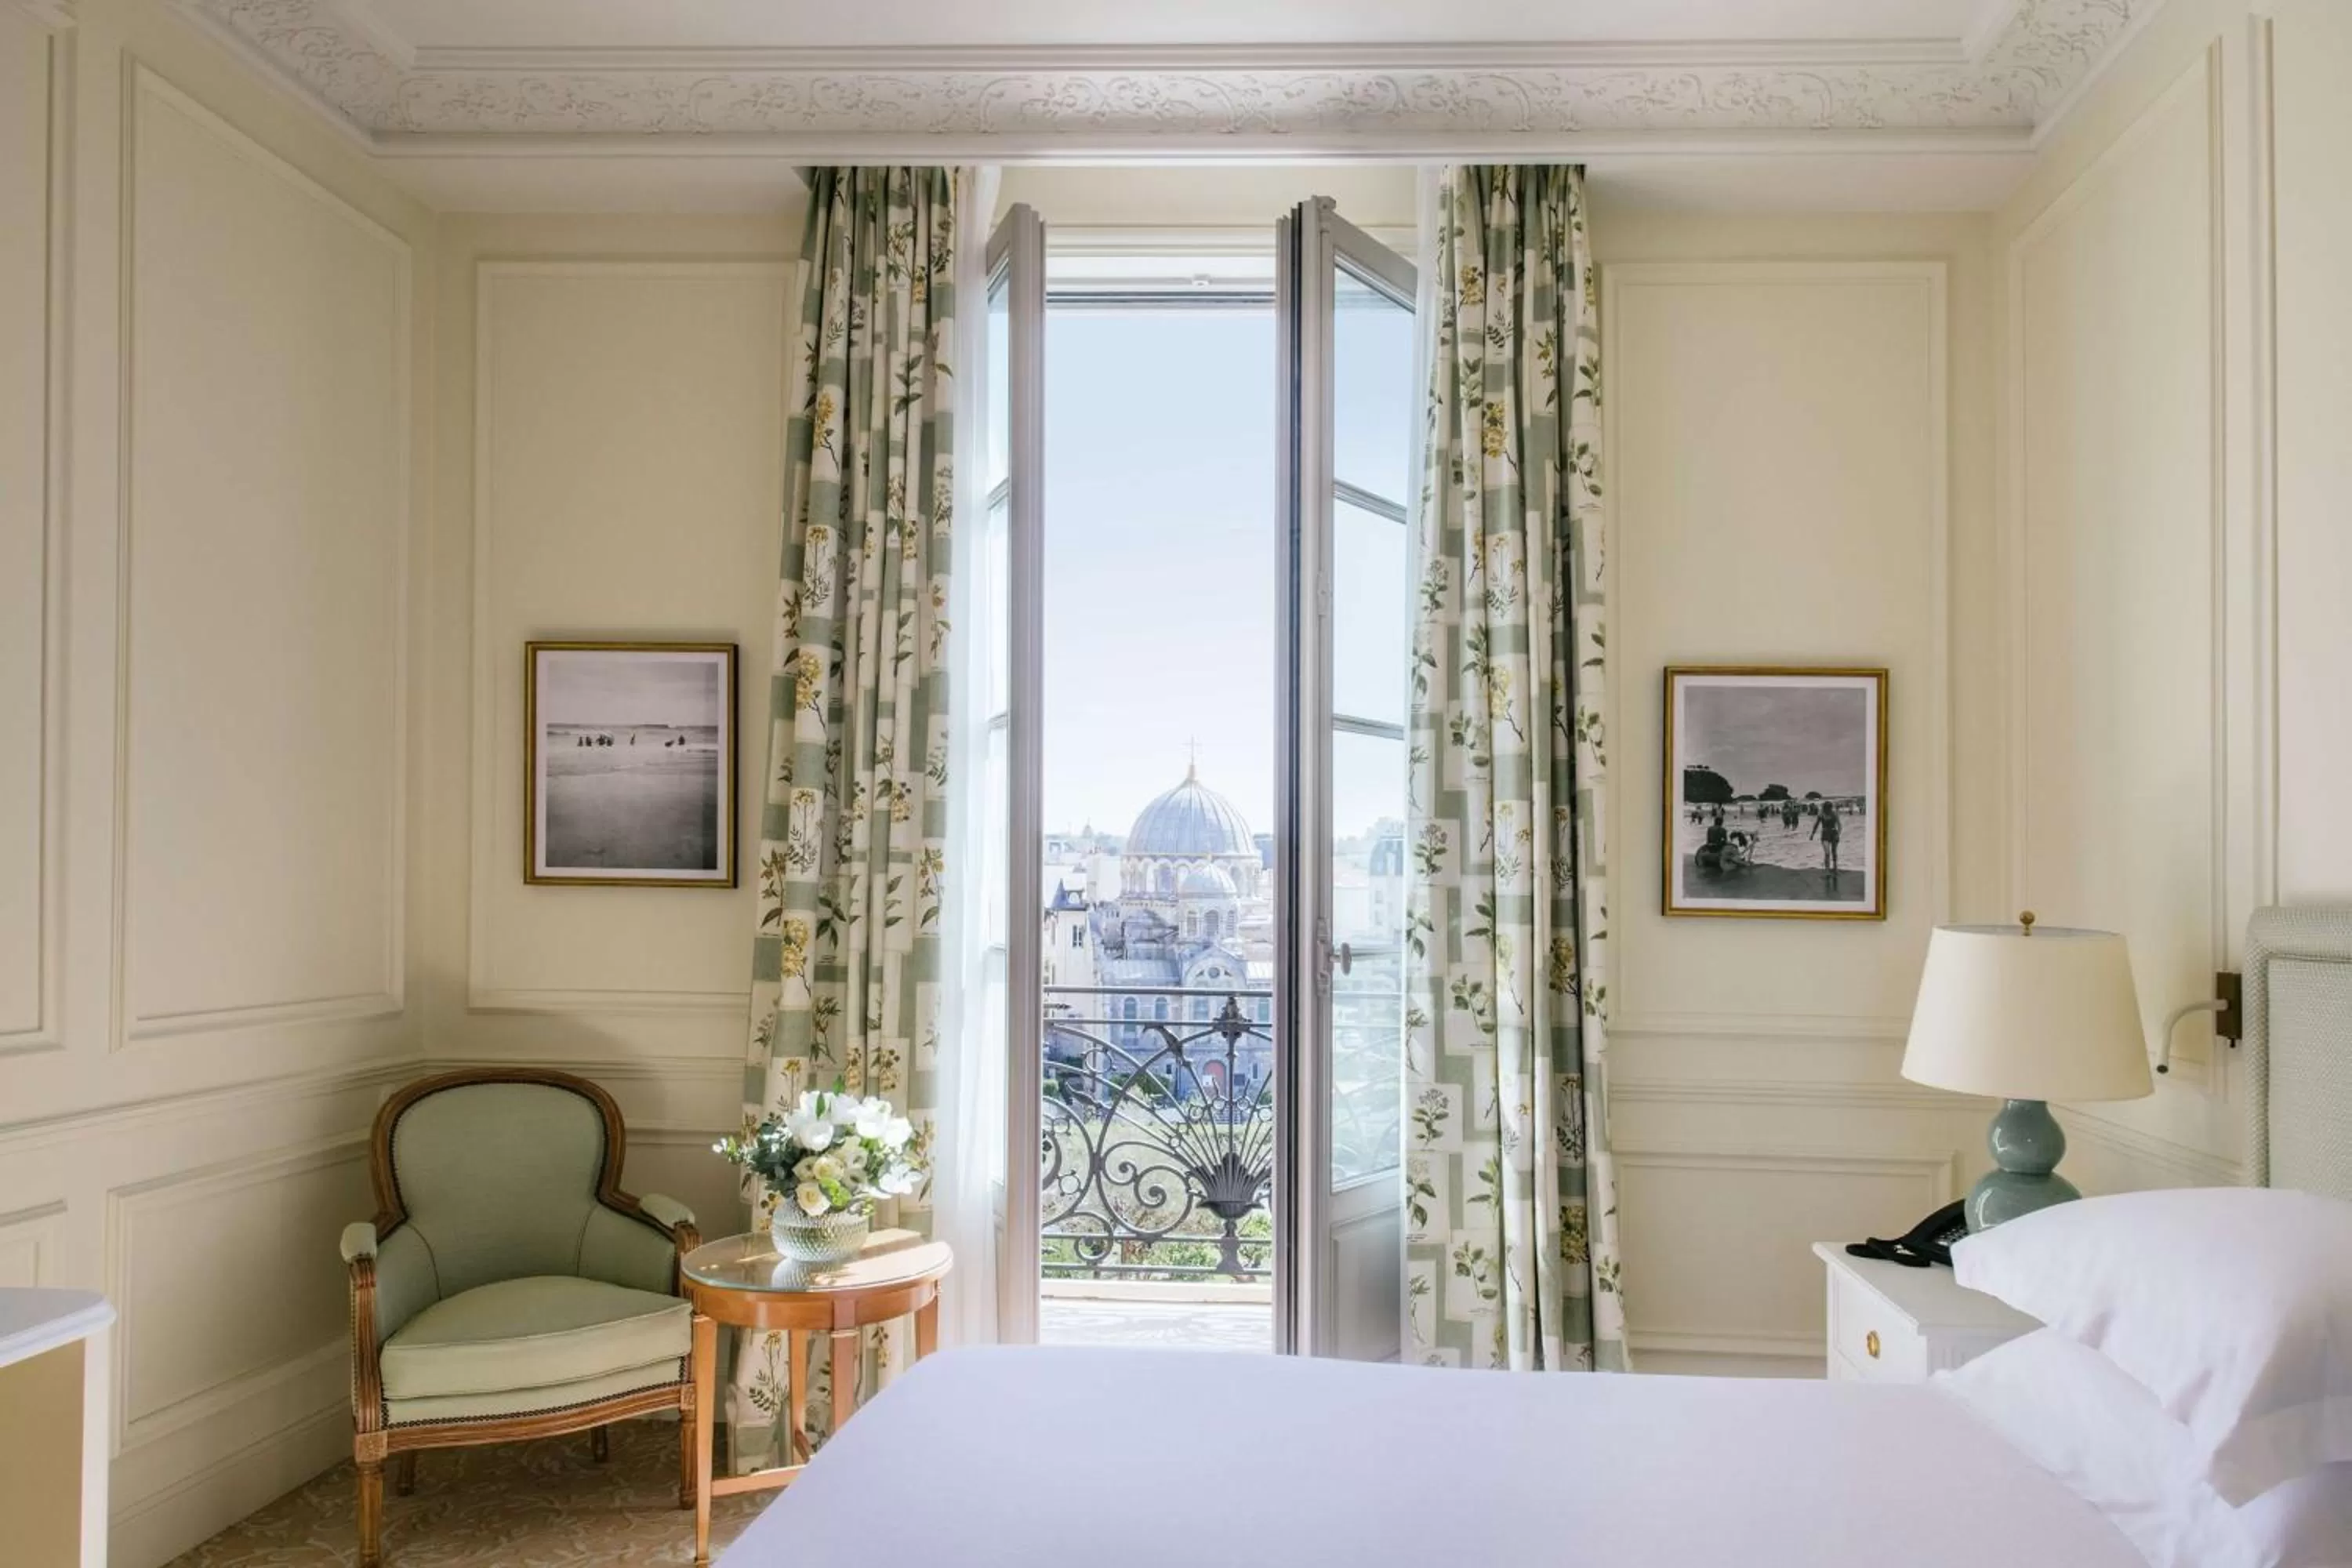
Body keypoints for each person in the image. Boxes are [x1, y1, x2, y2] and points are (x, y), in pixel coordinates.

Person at [1810, 798, 1842, 877]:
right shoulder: (1821, 815)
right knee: (1827, 853)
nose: (1828, 810)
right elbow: (1816, 825)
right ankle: (1827, 870)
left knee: (1834, 852)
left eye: (1829, 808)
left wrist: (1838, 834)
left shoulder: (1834, 814)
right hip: (1825, 834)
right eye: (1826, 808)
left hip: (1834, 833)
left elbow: (1839, 825)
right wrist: (1812, 834)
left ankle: (1835, 868)